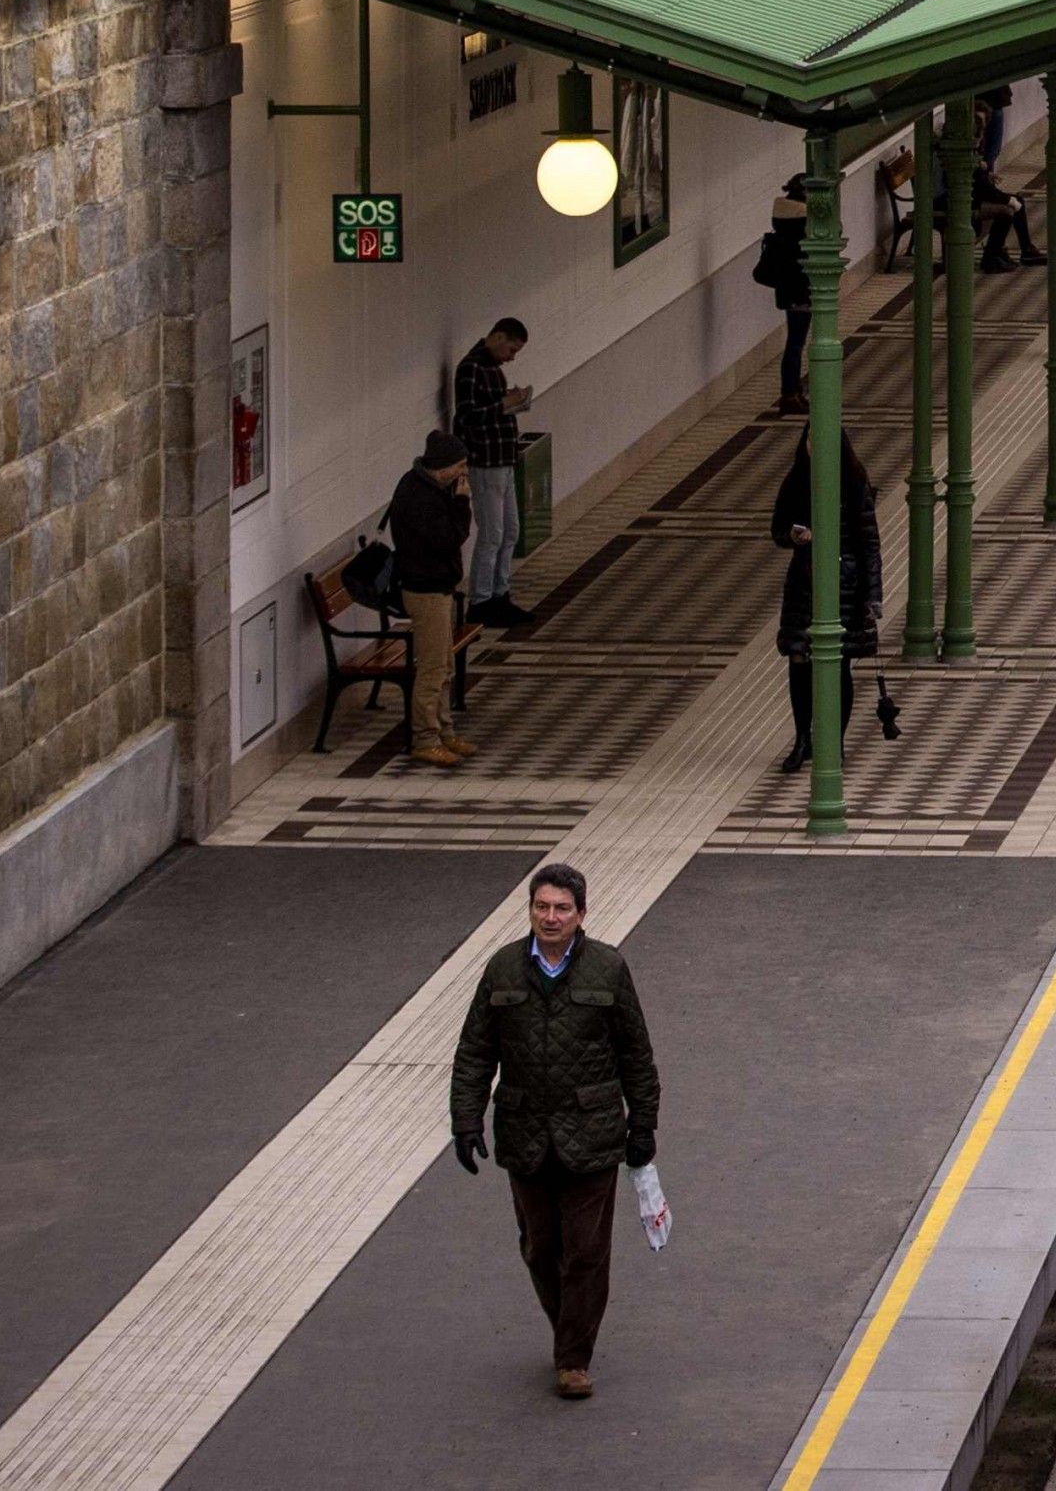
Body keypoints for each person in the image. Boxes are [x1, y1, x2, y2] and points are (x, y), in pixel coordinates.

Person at [450, 862, 659, 1400]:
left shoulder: (608, 969)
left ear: (581, 915)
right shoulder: (502, 970)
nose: (551, 917)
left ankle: (573, 1358)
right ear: (530, 912)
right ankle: (568, 1325)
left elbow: (636, 1054)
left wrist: (643, 1127)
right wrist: (467, 1119)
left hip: (592, 1135)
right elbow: (476, 1050)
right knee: (541, 1249)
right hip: (524, 1136)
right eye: (542, 907)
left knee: (586, 1250)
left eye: (562, 908)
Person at [773, 430, 884, 775]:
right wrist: (794, 535)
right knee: (799, 658)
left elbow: (869, 544)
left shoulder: (854, 483)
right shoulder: (796, 481)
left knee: (839, 663)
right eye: (810, 439)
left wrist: (872, 595)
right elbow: (777, 529)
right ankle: (803, 737)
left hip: (844, 585)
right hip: (805, 583)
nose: (813, 446)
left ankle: (833, 741)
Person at [384, 430, 475, 767]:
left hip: (435, 588)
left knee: (445, 665)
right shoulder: (420, 498)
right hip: (426, 591)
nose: (465, 473)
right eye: (461, 466)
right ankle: (425, 738)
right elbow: (451, 537)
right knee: (433, 668)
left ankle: (445, 731)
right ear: (443, 468)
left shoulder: (424, 487)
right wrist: (462, 501)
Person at [452, 318, 532, 624]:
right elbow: (467, 416)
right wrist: (503, 403)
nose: (512, 357)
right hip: (484, 462)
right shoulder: (471, 368)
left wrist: (513, 401)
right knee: (492, 533)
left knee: (511, 530)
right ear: (498, 336)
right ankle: (481, 601)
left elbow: (491, 407)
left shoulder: (493, 371)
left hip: (504, 459)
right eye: (511, 349)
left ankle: (501, 593)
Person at [754, 191, 812, 416]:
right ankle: (790, 393)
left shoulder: (782, 221)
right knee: (796, 344)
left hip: (788, 292)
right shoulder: (801, 226)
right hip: (800, 291)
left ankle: (793, 391)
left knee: (795, 342)